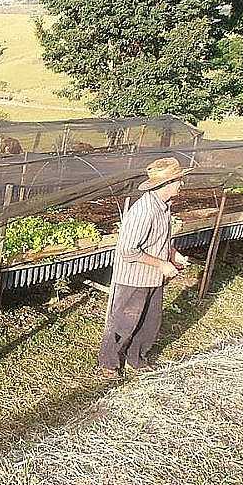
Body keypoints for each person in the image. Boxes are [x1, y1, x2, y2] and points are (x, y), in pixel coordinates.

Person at [98, 157, 191, 378]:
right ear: (166, 184)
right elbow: (127, 250)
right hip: (134, 278)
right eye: (178, 181)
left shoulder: (163, 206)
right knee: (124, 323)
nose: (181, 184)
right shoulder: (144, 211)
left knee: (149, 323)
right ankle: (109, 364)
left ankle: (135, 358)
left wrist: (172, 254)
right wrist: (162, 264)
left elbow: (159, 239)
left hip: (154, 276)